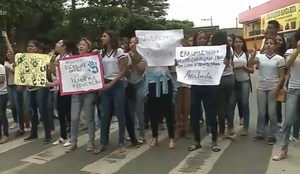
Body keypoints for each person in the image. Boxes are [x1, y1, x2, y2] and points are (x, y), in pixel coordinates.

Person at [93, 30, 128, 154]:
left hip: (117, 84)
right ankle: (103, 142)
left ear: (111, 38)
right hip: (105, 84)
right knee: (104, 114)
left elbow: (123, 70)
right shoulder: (101, 53)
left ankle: (121, 142)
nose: (102, 38)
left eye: (104, 36)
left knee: (120, 113)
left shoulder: (119, 52)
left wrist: (111, 84)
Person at [249, 37, 285, 145]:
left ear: (275, 46)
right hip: (261, 87)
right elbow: (250, 64)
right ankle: (260, 133)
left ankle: (272, 135)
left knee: (272, 112)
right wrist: (253, 54)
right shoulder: (260, 57)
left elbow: (282, 76)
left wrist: (278, 88)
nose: (268, 45)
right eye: (267, 43)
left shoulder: (279, 59)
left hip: (273, 87)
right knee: (261, 112)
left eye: (271, 43)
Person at [188, 31, 220, 152]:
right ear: (195, 40)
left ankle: (215, 142)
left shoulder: (212, 52)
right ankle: (197, 141)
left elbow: (219, 64)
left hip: (210, 86)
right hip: (196, 87)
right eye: (200, 38)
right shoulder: (189, 53)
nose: (202, 40)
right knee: (195, 115)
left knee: (211, 114)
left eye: (204, 38)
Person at [272, 30, 300, 161]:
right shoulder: (290, 52)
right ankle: (284, 149)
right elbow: (287, 66)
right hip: (294, 89)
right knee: (288, 121)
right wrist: (298, 50)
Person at [65, 38, 96, 153]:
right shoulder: (72, 60)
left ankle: (91, 141)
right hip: (76, 92)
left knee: (89, 118)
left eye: (83, 45)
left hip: (89, 92)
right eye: (79, 45)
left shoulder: (93, 59)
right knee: (74, 119)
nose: (80, 46)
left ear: (89, 47)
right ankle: (73, 142)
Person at [22, 40, 52, 144]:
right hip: (29, 89)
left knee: (43, 111)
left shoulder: (42, 59)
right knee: (31, 111)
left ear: (37, 48)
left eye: (32, 46)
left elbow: (45, 74)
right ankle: (34, 133)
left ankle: (47, 135)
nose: (29, 48)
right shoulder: (24, 59)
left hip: (41, 88)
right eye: (28, 46)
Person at [47, 39, 73, 147]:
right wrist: (52, 61)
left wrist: (52, 84)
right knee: (61, 113)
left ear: (64, 47)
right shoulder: (57, 57)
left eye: (59, 44)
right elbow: (52, 71)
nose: (56, 45)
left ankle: (72, 136)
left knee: (68, 114)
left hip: (67, 89)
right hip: (59, 89)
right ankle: (63, 135)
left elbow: (67, 76)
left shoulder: (69, 58)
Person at [229, 36, 253, 136]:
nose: (238, 43)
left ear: (243, 43)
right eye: (236, 42)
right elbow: (227, 68)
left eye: (240, 42)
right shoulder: (230, 55)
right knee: (231, 104)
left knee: (245, 104)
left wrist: (244, 67)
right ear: (233, 44)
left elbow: (252, 70)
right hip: (233, 82)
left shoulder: (247, 55)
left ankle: (246, 127)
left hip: (245, 81)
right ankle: (230, 127)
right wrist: (234, 68)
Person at [0, 55, 9, 144]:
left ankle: (5, 134)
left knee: (2, 114)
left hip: (2, 94)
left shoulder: (1, 67)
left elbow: (2, 79)